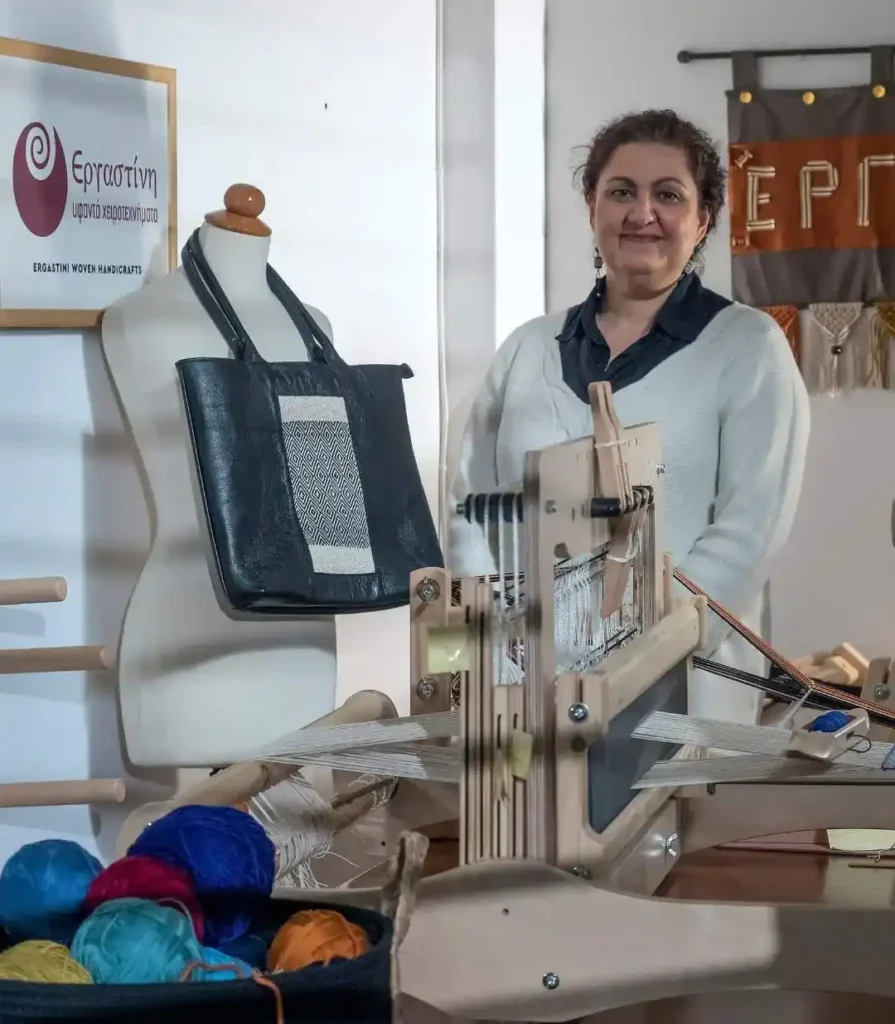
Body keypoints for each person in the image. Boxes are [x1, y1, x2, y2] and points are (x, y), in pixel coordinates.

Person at [447, 109, 810, 725]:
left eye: (668, 195)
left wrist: (630, 645)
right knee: (520, 820)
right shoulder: (528, 347)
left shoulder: (748, 347)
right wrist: (489, 644)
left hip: (679, 684)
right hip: (523, 687)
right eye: (621, 192)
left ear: (703, 220)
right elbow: (471, 505)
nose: (642, 214)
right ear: (592, 207)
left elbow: (750, 531)